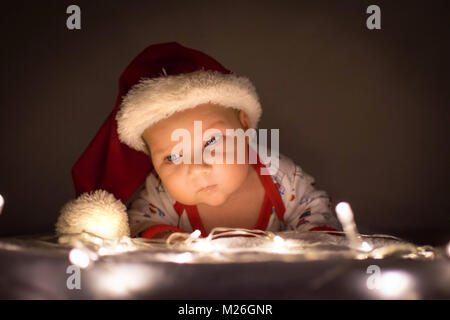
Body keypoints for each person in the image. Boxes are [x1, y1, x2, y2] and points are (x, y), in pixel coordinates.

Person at [55, 42, 340, 240]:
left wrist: (311, 242)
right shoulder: (161, 193)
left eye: (211, 142)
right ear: (151, 158)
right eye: (173, 157)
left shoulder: (278, 175)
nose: (196, 168)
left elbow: (313, 210)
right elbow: (140, 222)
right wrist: (166, 238)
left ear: (243, 125)